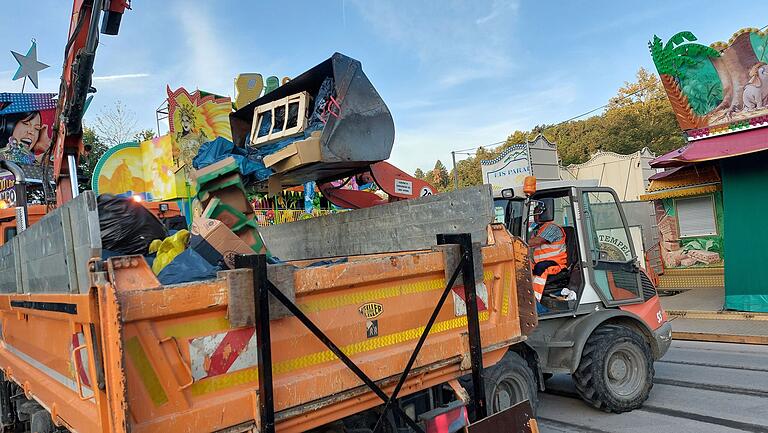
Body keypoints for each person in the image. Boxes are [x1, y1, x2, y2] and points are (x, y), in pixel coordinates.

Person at [528, 200, 568, 304]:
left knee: (541, 268)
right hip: (540, 262)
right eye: (534, 213)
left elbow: (538, 241)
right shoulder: (537, 229)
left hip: (556, 264)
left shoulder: (552, 228)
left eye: (537, 213)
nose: (535, 216)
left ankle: (534, 301)